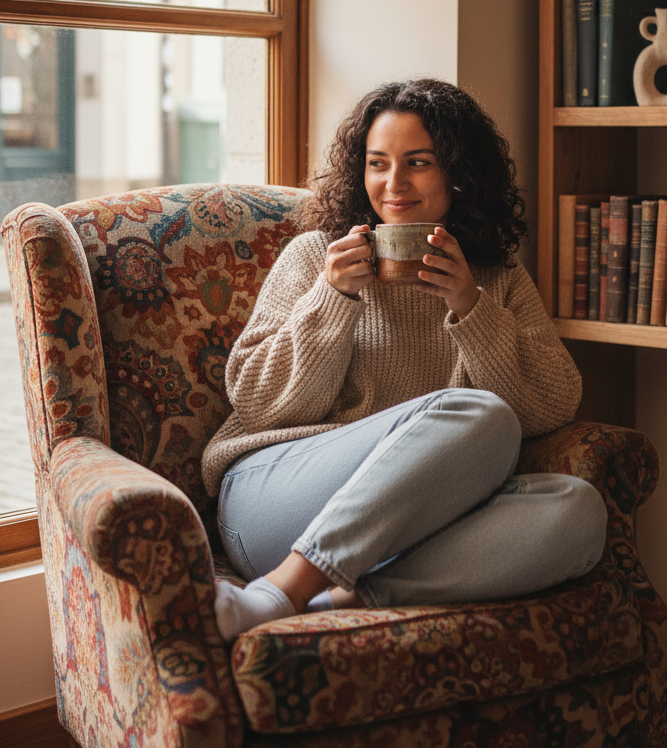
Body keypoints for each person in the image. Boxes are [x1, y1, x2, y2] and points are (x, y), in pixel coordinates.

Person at [201, 78, 606, 641]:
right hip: (271, 498)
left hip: (401, 524)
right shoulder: (316, 256)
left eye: (417, 163)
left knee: (579, 511)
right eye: (377, 163)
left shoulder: (494, 276)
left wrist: (471, 307)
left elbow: (554, 403)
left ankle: (340, 595)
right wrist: (332, 299)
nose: (393, 184)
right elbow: (257, 403)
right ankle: (280, 589)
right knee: (482, 416)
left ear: (458, 172)